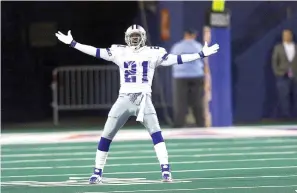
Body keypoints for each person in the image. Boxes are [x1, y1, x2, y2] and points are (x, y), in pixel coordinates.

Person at [55, 24, 219, 184]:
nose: (134, 40)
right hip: (124, 99)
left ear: (143, 38)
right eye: (132, 37)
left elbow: (176, 59)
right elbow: (95, 51)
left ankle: (166, 170)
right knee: (106, 135)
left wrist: (200, 54)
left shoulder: (152, 53)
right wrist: (73, 43)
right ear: (127, 38)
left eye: (137, 37)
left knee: (157, 135)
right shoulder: (120, 52)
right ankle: (97, 172)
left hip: (144, 99)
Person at [171, 29, 206, 128]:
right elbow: (204, 61)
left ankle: (179, 124)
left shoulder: (177, 47)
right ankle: (200, 123)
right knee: (197, 100)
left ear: (185, 35)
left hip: (180, 77)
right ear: (194, 35)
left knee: (180, 101)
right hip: (196, 75)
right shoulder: (198, 46)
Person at [272, 29, 297, 119]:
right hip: (282, 76)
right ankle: (285, 115)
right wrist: (278, 73)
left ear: (291, 36)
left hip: (295, 75)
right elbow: (274, 62)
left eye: (288, 35)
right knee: (283, 96)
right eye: (284, 35)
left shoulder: (295, 47)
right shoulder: (278, 48)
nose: (286, 37)